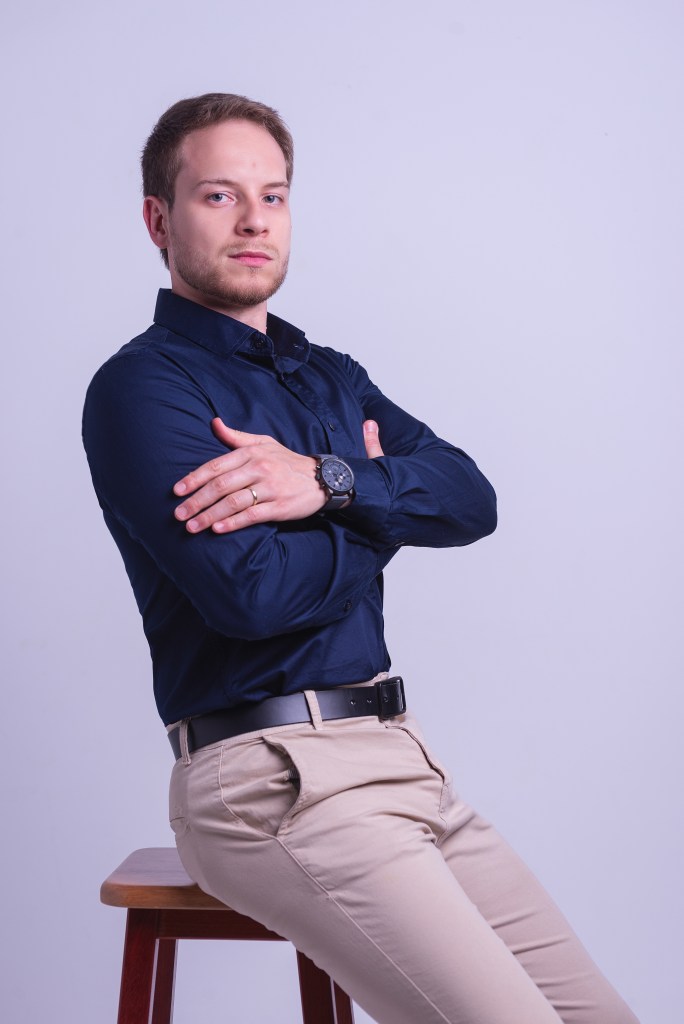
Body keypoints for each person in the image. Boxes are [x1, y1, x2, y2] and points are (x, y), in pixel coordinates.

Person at [82, 93, 638, 1024]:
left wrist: (325, 481)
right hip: (270, 780)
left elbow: (470, 499)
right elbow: (253, 598)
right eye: (219, 195)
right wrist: (379, 512)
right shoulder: (143, 388)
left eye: (274, 196)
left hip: (403, 760)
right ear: (158, 220)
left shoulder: (329, 375)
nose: (255, 220)